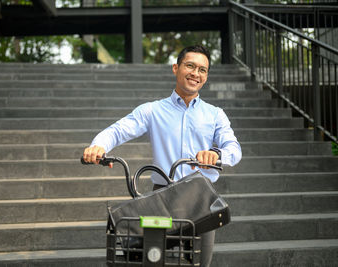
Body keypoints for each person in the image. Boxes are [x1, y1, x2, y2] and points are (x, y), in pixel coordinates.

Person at [83, 45, 242, 267]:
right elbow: (118, 130)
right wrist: (98, 146)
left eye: (202, 70)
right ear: (176, 68)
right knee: (152, 262)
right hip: (162, 198)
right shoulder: (152, 110)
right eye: (190, 66)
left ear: (206, 76)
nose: (196, 74)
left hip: (200, 199)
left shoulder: (215, 115)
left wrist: (215, 154)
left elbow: (234, 149)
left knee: (200, 263)